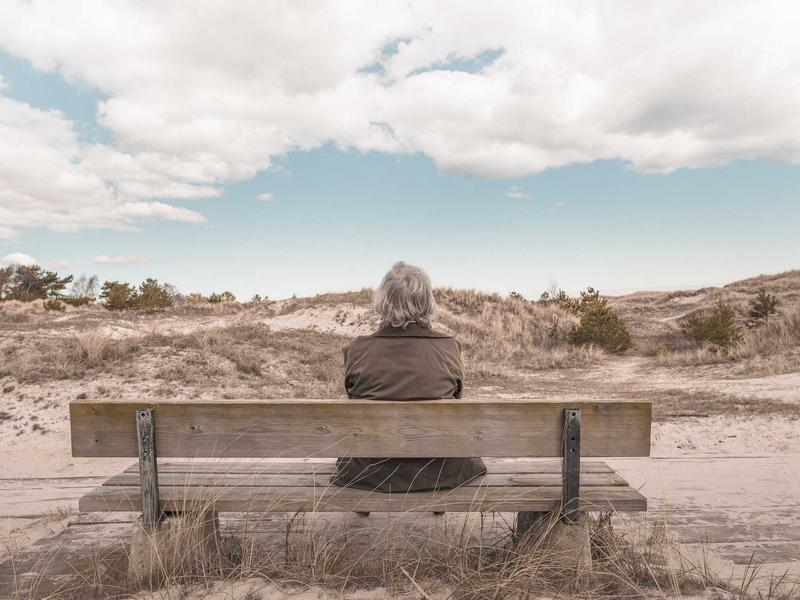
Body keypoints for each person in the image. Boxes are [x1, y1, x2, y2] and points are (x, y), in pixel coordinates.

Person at [330, 261, 487, 493]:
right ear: (426, 302)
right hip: (440, 470)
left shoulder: (356, 350)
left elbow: (354, 400)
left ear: (383, 303)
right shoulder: (449, 348)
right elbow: (456, 400)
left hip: (371, 473)